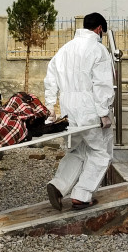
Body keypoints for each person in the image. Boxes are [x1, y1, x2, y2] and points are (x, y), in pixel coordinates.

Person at [44, 12, 115, 211]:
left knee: (77, 149)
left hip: (69, 107)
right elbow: (101, 84)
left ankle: (58, 184)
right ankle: (82, 195)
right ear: (99, 29)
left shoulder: (65, 49)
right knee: (100, 152)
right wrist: (104, 112)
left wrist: (50, 106)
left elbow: (50, 79)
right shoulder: (98, 50)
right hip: (90, 106)